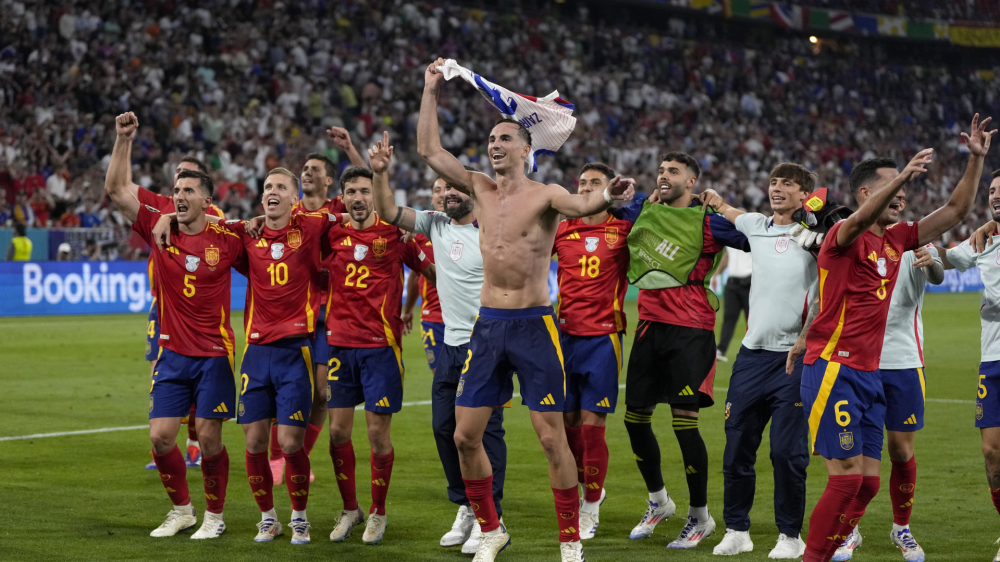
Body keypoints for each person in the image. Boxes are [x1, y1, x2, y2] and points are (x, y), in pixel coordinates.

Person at [418, 59, 634, 562]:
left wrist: (609, 195)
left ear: (524, 149)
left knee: (550, 436)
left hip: (535, 326)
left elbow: (584, 206)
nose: (494, 145)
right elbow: (430, 149)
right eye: (491, 139)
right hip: (489, 326)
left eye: (504, 139)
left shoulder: (546, 195)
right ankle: (491, 529)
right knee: (464, 435)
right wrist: (430, 89)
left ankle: (568, 539)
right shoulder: (478, 187)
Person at [798, 114, 993, 562]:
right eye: (894, 186)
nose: (903, 195)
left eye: (905, 188)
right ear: (867, 193)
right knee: (846, 479)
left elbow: (955, 212)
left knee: (867, 481)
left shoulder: (895, 241)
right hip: (833, 367)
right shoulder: (840, 237)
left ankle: (844, 544)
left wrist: (975, 162)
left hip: (869, 373)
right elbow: (856, 221)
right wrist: (903, 172)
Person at [155, 168, 344, 544]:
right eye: (267, 187)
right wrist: (167, 215)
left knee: (290, 443)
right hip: (256, 352)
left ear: (295, 197)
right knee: (254, 442)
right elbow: (201, 220)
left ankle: (300, 518)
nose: (271, 191)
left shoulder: (311, 224)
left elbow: (355, 214)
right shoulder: (244, 233)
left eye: (280, 187)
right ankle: (268, 518)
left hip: (295, 351)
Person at [105, 112, 245, 539]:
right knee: (162, 437)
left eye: (188, 190)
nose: (179, 196)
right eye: (176, 189)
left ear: (207, 200)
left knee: (209, 438)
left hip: (214, 354)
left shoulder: (228, 239)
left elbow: (269, 264)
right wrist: (123, 139)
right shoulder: (157, 223)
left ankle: (215, 517)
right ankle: (182, 510)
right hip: (172, 352)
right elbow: (115, 189)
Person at [370, 139, 507, 553]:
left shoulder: (494, 231)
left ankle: (491, 518)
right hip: (450, 345)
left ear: (474, 194)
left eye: (456, 188)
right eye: (445, 188)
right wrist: (379, 173)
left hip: (485, 347)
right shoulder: (435, 224)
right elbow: (389, 212)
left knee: (487, 433)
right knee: (443, 430)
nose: (448, 193)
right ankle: (466, 505)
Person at [608, 152, 747, 549]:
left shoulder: (708, 222)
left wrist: (723, 206)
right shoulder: (643, 210)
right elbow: (614, 207)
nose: (663, 175)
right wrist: (626, 197)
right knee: (635, 419)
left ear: (692, 182)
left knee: (684, 423)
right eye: (661, 170)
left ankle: (700, 516)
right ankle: (659, 501)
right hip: (650, 327)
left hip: (691, 331)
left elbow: (757, 236)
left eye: (673, 171)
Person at [700, 163, 816, 558]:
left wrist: (806, 337)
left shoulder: (816, 238)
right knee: (736, 449)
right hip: (751, 356)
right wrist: (714, 200)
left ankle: (790, 535)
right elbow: (726, 210)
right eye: (773, 182)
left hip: (794, 358)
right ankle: (737, 529)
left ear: (805, 194)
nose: (777, 188)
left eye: (788, 184)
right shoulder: (754, 224)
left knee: (787, 452)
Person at [324, 164, 435, 546]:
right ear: (342, 197)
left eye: (365, 191)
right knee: (337, 431)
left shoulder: (395, 233)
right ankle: (350, 508)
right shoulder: (331, 232)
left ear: (377, 195)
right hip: (339, 345)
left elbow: (429, 270)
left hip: (380, 348)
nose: (358, 198)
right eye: (351, 191)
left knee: (376, 434)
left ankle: (378, 512)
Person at [831, 242, 943, 562]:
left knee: (901, 450)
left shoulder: (916, 245)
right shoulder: (857, 243)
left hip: (904, 365)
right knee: (863, 463)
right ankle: (851, 528)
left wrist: (931, 261)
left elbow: (937, 276)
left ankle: (901, 527)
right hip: (863, 365)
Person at [551, 162, 633, 540]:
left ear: (610, 188)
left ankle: (591, 504)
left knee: (592, 426)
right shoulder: (561, 229)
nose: (585, 188)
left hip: (603, 339)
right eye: (582, 182)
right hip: (563, 337)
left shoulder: (624, 230)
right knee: (567, 427)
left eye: (594, 183)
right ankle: (588, 488)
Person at [266, 144, 352, 485]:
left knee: (321, 393)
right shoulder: (291, 210)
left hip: (330, 315)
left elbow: (372, 193)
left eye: (314, 169)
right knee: (286, 388)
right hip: (293, 313)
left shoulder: (340, 208)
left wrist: (350, 150)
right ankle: (277, 457)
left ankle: (297, 455)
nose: (307, 172)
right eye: (304, 168)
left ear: (329, 179)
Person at [140, 156, 227, 471]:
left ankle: (193, 445)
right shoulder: (162, 208)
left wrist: (171, 219)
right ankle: (170, 445)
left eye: (188, 176)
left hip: (197, 312)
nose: (180, 179)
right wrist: (166, 217)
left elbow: (222, 228)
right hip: (160, 304)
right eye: (177, 174)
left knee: (194, 383)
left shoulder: (210, 214)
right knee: (158, 373)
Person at [936, 170, 1000, 562]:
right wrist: (918, 248)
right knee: (992, 452)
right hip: (992, 361)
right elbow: (949, 260)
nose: (996, 197)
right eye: (993, 192)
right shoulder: (986, 240)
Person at [402, 178, 446, 377]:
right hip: (434, 318)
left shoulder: (472, 228)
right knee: (442, 379)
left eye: (448, 189)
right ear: (432, 197)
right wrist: (409, 309)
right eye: (438, 190)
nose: (443, 194)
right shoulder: (418, 233)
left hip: (466, 316)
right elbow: (414, 275)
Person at [716, 242, 752, 362]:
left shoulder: (750, 234)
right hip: (732, 283)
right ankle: (721, 349)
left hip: (749, 283)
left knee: (751, 319)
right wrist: (716, 274)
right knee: (729, 317)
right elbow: (727, 256)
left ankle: (753, 350)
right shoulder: (730, 236)